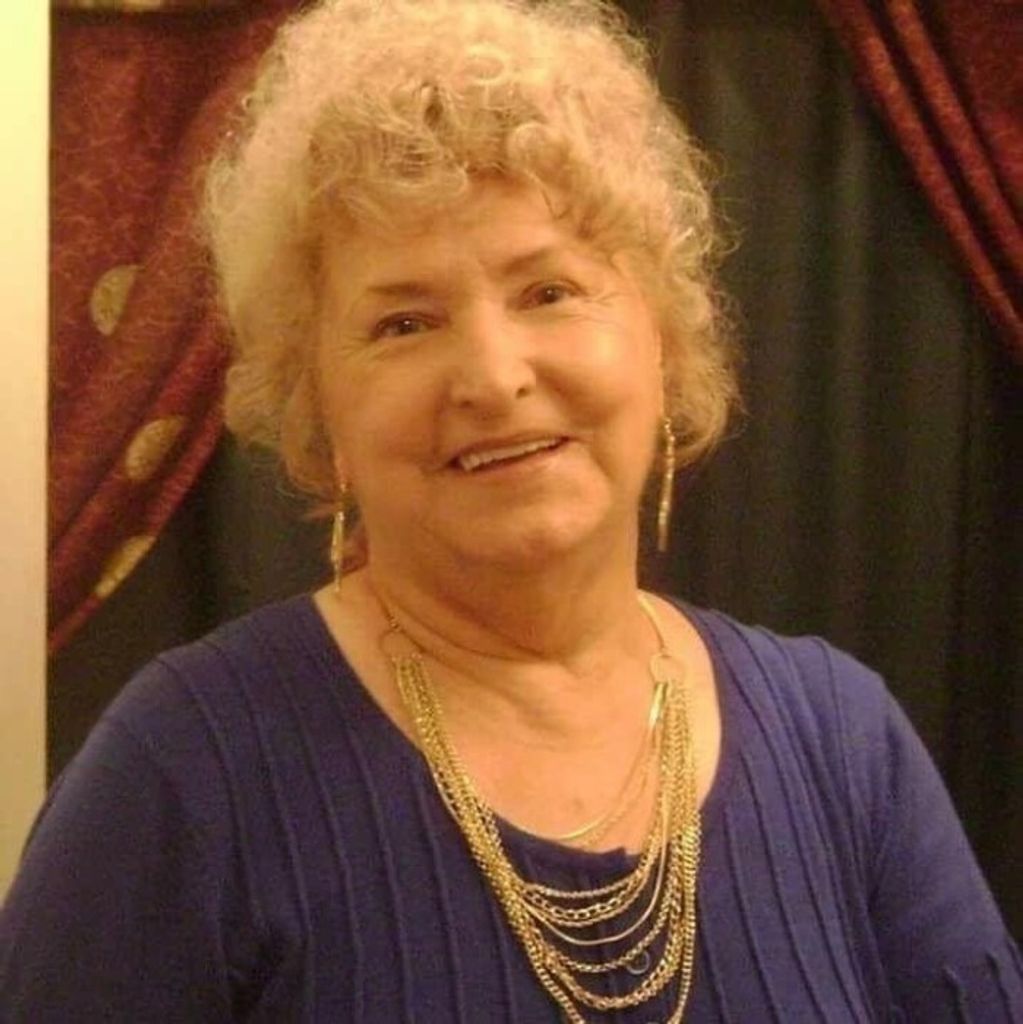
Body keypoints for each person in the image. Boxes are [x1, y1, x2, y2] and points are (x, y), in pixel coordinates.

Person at [2, 0, 1020, 1020]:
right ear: (318, 409)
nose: (493, 377)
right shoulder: (182, 772)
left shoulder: (843, 742)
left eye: (548, 292)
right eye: (404, 322)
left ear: (664, 342)